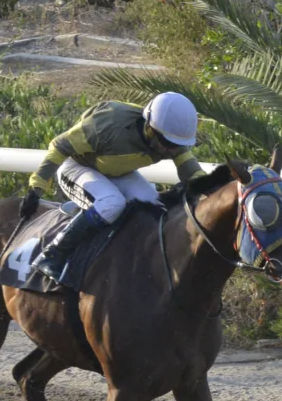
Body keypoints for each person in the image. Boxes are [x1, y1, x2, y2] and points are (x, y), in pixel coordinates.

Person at [28, 91, 203, 270]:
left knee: (156, 208)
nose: (171, 151)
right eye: (168, 144)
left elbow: (193, 172)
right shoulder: (107, 125)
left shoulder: (170, 137)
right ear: (150, 128)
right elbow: (59, 147)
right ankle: (52, 254)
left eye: (177, 146)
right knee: (112, 203)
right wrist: (36, 188)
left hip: (117, 172)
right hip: (76, 166)